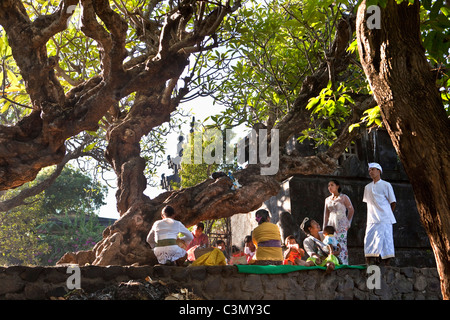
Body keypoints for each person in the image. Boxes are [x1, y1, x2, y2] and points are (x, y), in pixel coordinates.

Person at [363, 162, 397, 266]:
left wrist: (387, 215)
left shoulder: (386, 185)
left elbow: (393, 202)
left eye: (372, 169)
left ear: (379, 171)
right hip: (371, 219)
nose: (370, 172)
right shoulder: (367, 187)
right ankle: (370, 260)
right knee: (369, 239)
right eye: (369, 170)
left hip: (384, 219)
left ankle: (386, 262)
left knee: (386, 240)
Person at [323, 179, 354, 265]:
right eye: (329, 186)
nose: (330, 187)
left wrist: (348, 222)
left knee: (341, 243)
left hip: (341, 223)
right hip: (331, 223)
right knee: (331, 242)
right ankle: (332, 261)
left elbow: (351, 210)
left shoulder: (344, 197)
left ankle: (343, 262)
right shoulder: (327, 199)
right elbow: (326, 214)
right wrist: (324, 227)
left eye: (332, 185)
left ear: (337, 186)